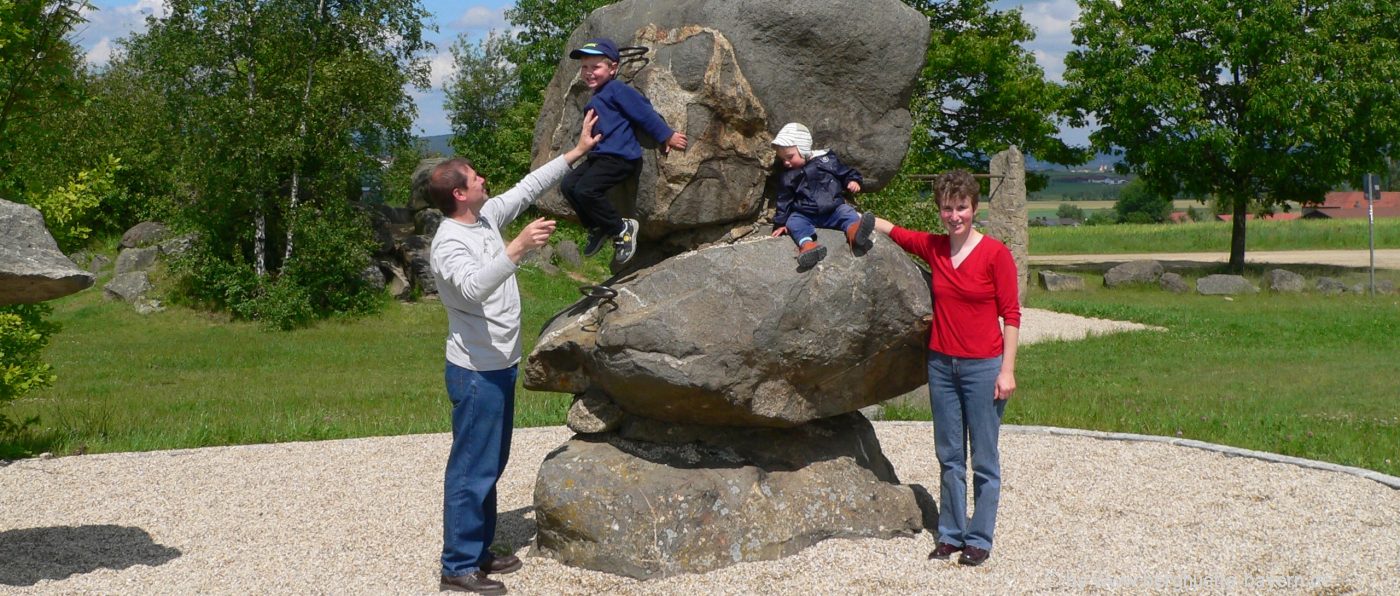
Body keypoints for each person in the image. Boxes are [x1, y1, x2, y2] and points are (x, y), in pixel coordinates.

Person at [427, 111, 601, 594]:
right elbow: (471, 289)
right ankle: (457, 568)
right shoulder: (450, 243)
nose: (484, 180)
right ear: (459, 193)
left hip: (500, 366)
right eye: (475, 177)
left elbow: (527, 187)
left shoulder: (483, 220)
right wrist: (518, 248)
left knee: (490, 463)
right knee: (471, 468)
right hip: (476, 373)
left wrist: (578, 151)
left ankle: (478, 552)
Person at [873, 169, 1020, 567]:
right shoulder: (936, 248)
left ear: (974, 208)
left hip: (984, 367)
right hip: (941, 365)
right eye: (947, 208)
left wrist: (1007, 371)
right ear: (939, 210)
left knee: (984, 460)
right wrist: (842, 214)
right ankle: (951, 535)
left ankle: (980, 537)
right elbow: (896, 232)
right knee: (950, 455)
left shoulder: (995, 254)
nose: (954, 215)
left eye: (961, 207)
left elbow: (1012, 316)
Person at [560, 37, 688, 267]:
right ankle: (599, 225)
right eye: (584, 67)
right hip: (600, 156)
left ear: (613, 68)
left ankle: (622, 229)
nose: (588, 72)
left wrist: (666, 135)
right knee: (568, 185)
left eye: (595, 67)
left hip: (619, 157)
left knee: (587, 190)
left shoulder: (617, 89)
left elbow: (643, 112)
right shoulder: (597, 95)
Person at [769, 122, 875, 268]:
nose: (786, 162)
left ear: (803, 149)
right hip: (805, 213)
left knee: (847, 211)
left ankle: (855, 232)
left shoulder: (826, 160)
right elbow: (784, 199)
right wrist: (781, 223)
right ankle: (808, 245)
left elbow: (844, 171)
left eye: (790, 157)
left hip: (833, 209)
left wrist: (853, 180)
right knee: (794, 221)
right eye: (783, 159)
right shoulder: (788, 175)